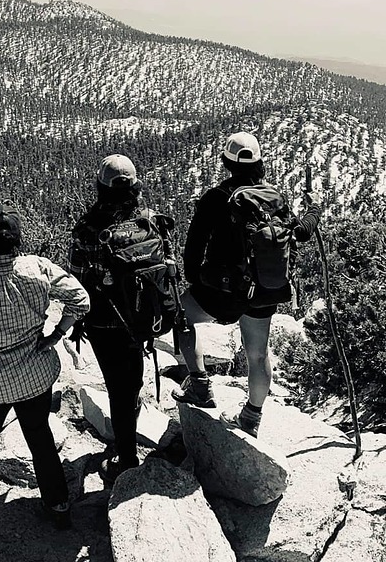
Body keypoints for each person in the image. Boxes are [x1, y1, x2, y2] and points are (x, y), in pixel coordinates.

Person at [0, 203, 90, 533]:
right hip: (35, 375)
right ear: (18, 238)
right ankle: (58, 505)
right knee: (40, 439)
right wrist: (56, 334)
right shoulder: (38, 267)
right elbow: (80, 299)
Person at [174, 131, 322, 436]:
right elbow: (302, 233)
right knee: (258, 354)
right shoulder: (274, 198)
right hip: (264, 291)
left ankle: (200, 385)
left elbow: (194, 246)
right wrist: (314, 209)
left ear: (227, 162)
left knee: (181, 315)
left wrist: (194, 278)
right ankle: (251, 418)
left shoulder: (216, 198)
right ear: (259, 161)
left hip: (222, 292)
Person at [68, 154, 176, 482]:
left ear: (101, 186)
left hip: (104, 320)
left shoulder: (88, 229)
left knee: (117, 386)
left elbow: (75, 279)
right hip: (142, 316)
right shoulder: (152, 220)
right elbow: (169, 265)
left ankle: (126, 458)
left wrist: (73, 322)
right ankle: (129, 435)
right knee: (132, 380)